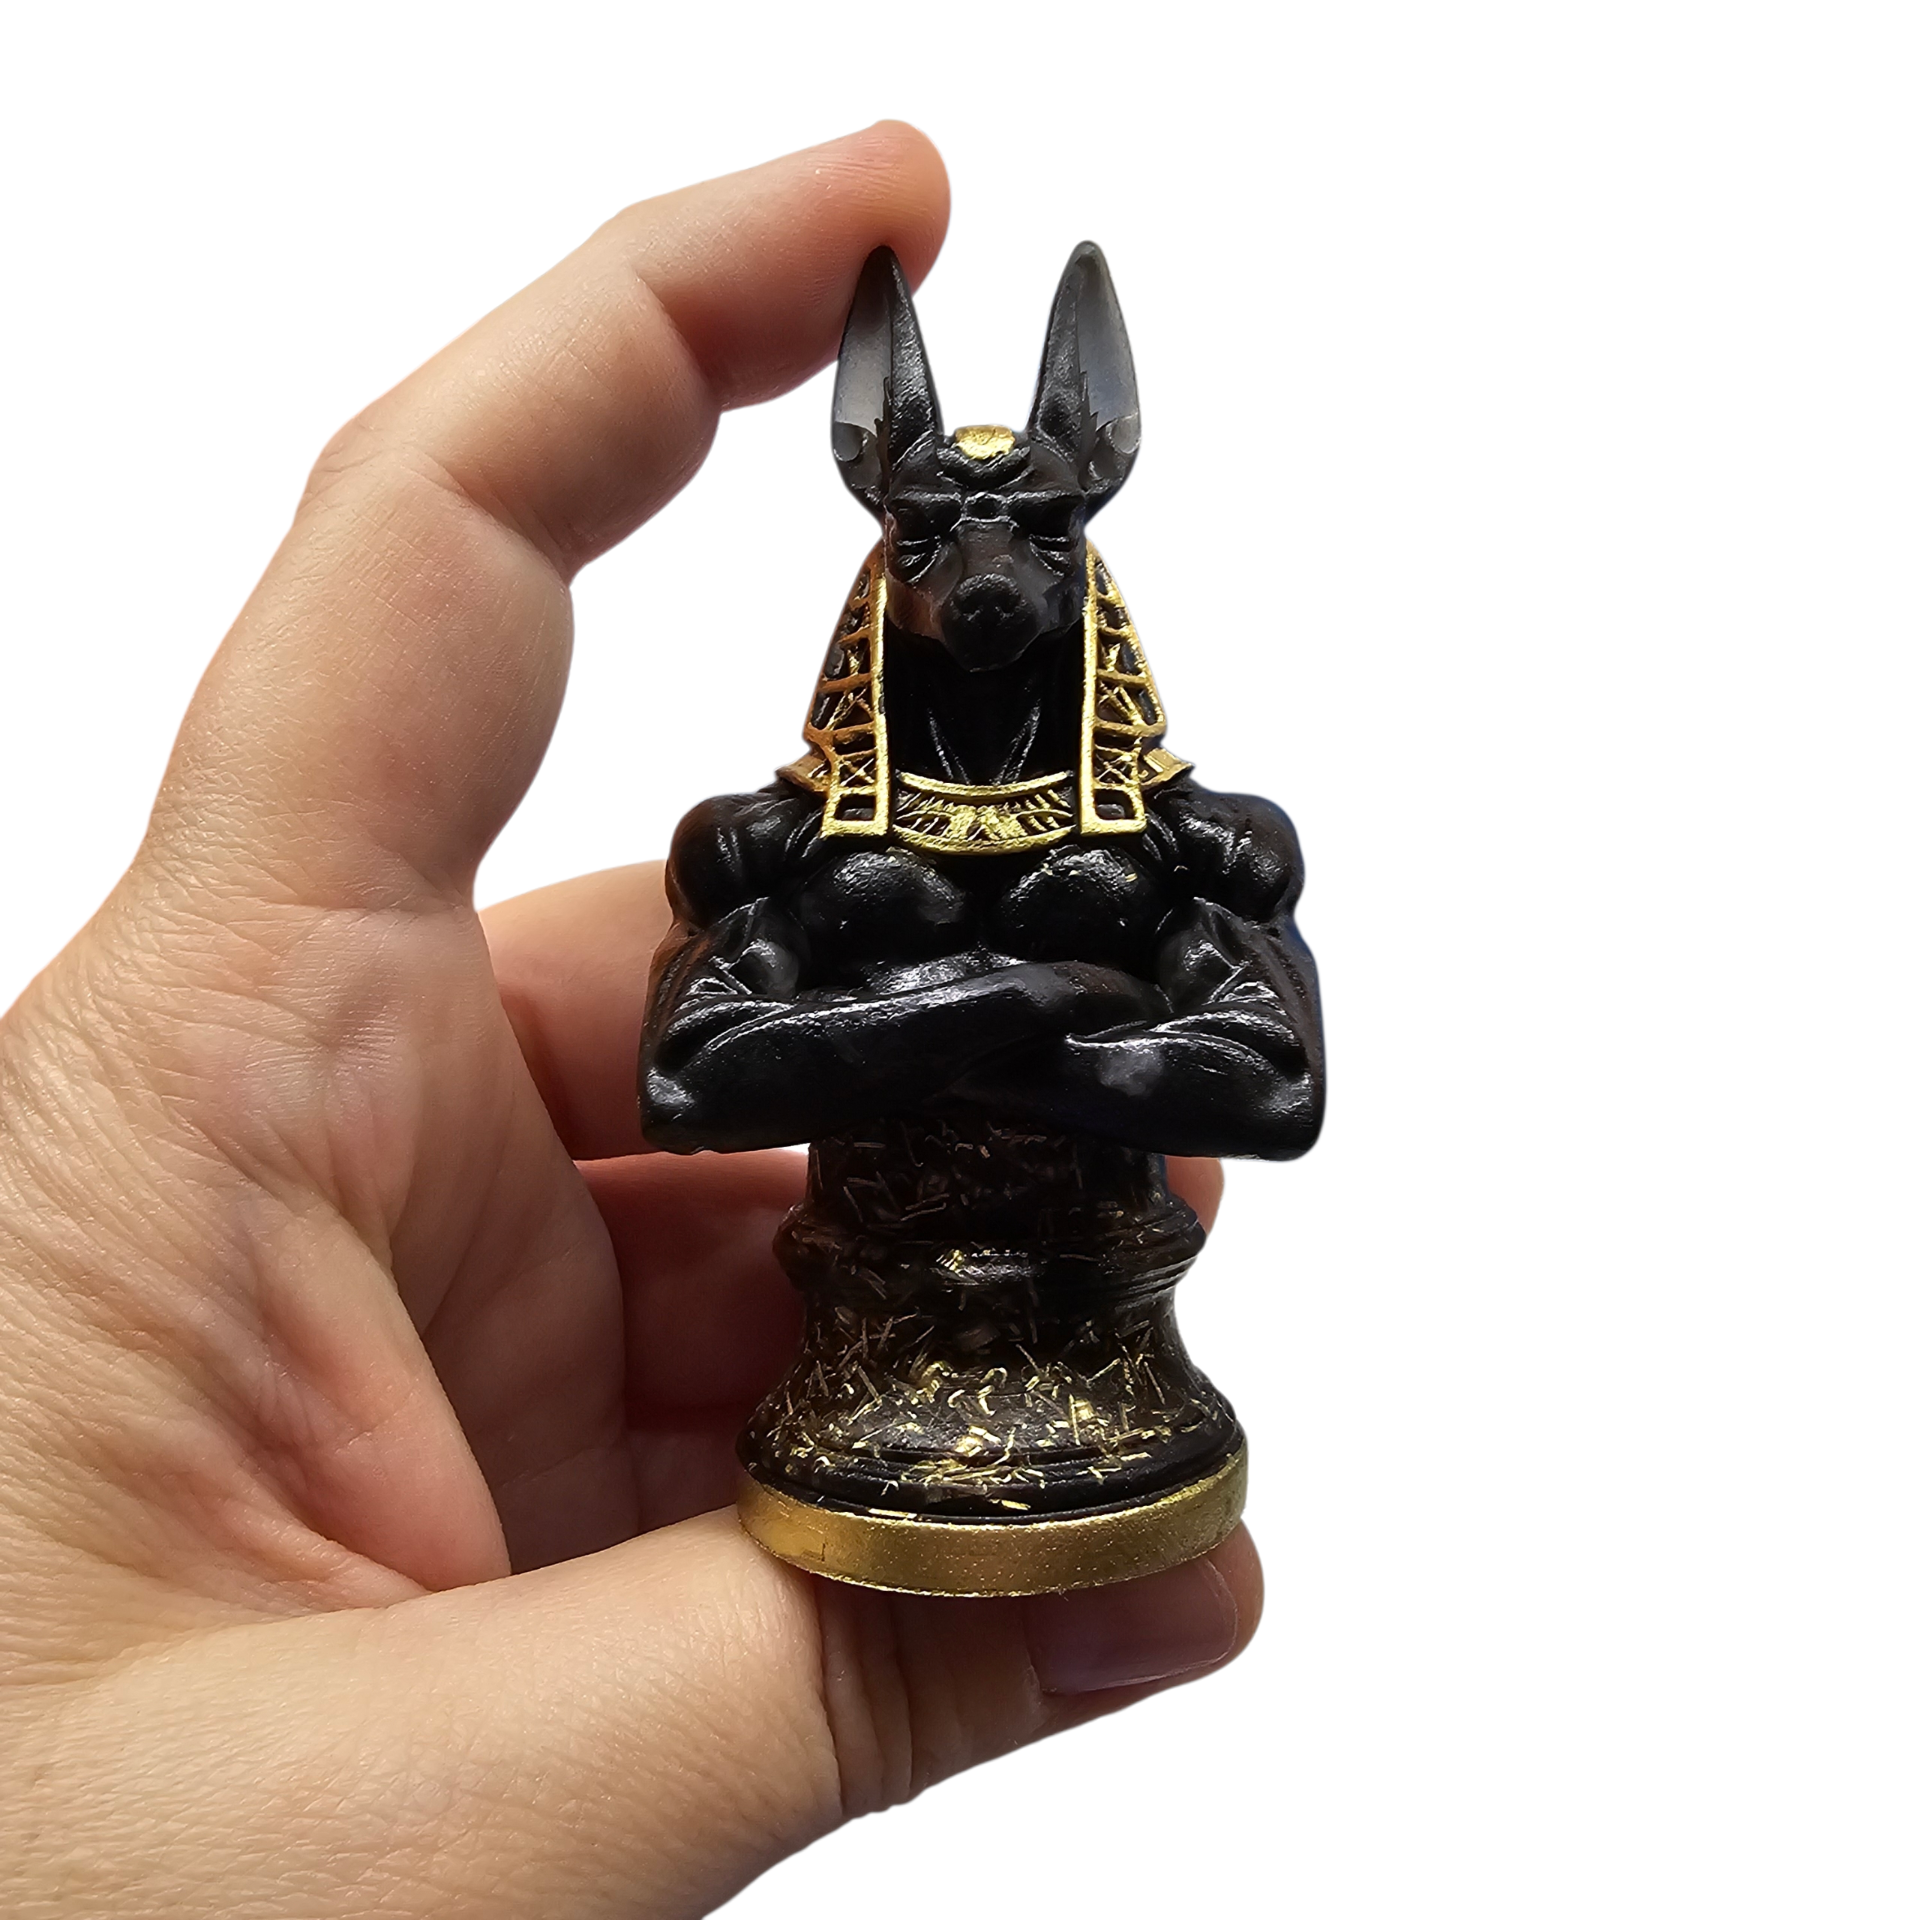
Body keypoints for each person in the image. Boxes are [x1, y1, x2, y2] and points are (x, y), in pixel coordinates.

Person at [0, 124, 1260, 1918]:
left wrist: (918, 1026)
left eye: (1031, 527)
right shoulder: (782, 854)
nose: (985, 567)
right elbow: (690, 1078)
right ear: (888, 535)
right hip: (855, 1382)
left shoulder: (1189, 847)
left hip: (1109, 1354)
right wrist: (1036, 1000)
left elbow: (1270, 1082)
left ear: (1082, 531)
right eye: (937, 528)